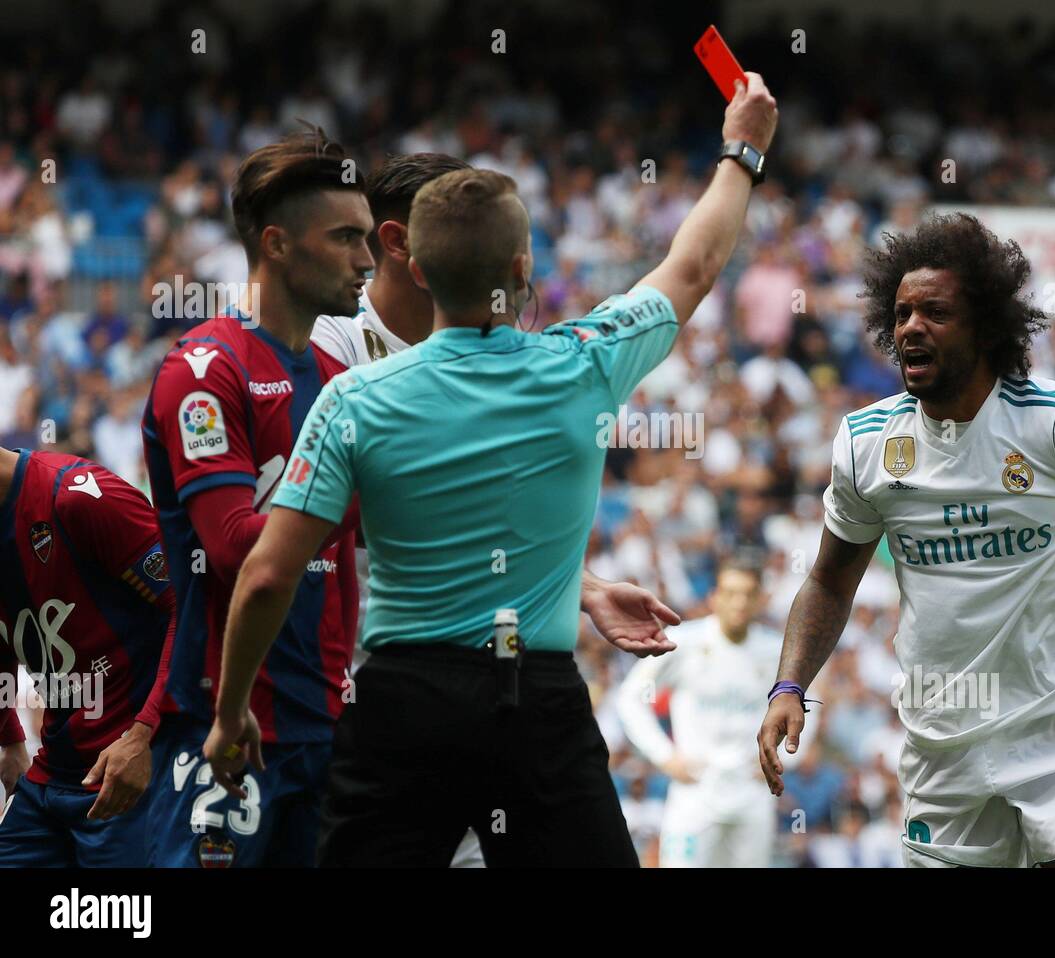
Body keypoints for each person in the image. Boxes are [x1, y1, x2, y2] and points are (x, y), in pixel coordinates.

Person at [205, 73, 779, 866]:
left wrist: (228, 711)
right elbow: (693, 264)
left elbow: (268, 576)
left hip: (400, 702)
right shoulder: (584, 363)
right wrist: (742, 149)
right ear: (521, 265)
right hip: (534, 702)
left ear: (415, 264)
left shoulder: (353, 400)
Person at [759, 213, 1055, 868]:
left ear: (986, 326)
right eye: (900, 314)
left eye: (934, 312)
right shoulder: (867, 444)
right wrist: (789, 687)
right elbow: (827, 581)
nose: (910, 329)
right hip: (945, 751)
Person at [312, 151, 686, 867]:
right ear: (406, 247)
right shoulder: (333, 350)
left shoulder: (479, 364)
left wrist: (585, 588)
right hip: (365, 682)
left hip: (475, 685)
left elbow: (463, 518)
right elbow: (336, 530)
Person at [140, 130, 370, 867]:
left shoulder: (339, 372)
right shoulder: (205, 370)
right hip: (226, 726)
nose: (366, 259)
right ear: (276, 243)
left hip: (321, 721)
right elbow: (236, 546)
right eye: (344, 238)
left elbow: (375, 530)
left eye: (367, 238)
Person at [0, 446, 174, 866]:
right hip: (53, 773)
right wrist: (9, 739)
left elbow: (192, 609)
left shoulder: (76, 496)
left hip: (129, 775)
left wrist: (145, 735)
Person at [616, 559, 816, 867]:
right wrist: (665, 756)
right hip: (694, 792)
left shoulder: (776, 651)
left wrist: (784, 758)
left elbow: (805, 706)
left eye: (748, 593)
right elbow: (630, 697)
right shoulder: (685, 642)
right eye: (730, 592)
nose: (739, 602)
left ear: (760, 599)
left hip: (751, 793)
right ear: (714, 597)